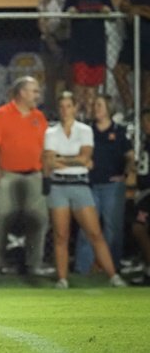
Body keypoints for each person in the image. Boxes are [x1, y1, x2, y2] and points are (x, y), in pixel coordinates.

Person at [43, 91, 127, 289]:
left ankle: (113, 276)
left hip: (80, 185)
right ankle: (62, 279)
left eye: (68, 106)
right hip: (58, 186)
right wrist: (74, 161)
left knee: (95, 233)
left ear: (75, 108)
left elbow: (85, 158)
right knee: (61, 235)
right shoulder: (51, 132)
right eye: (61, 106)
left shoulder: (84, 130)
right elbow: (50, 161)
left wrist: (61, 159)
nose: (65, 110)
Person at [0, 76, 49, 278]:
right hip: (9, 175)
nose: (38, 95)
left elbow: (45, 147)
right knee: (1, 221)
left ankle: (34, 265)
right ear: (22, 93)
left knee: (38, 221)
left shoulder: (39, 117)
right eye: (34, 91)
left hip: (34, 175)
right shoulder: (2, 114)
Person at [74, 94, 135, 274]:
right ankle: (83, 268)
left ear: (109, 108)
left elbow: (130, 156)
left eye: (99, 105)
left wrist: (126, 173)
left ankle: (111, 266)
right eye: (94, 105)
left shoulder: (119, 131)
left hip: (112, 186)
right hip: (90, 185)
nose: (96, 108)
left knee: (112, 228)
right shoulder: (87, 131)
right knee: (87, 227)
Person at [63, 0, 114, 120]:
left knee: (93, 89)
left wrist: (107, 11)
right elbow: (66, 14)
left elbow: (112, 15)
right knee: (78, 87)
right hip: (79, 48)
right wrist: (71, 11)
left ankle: (90, 119)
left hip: (97, 48)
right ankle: (75, 119)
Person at [113, 0, 150, 117]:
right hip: (132, 40)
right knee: (118, 71)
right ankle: (131, 108)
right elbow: (123, 5)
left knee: (146, 78)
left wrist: (139, 10)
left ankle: (144, 113)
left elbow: (137, 10)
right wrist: (132, 9)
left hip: (148, 41)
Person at [37, 0, 74, 117]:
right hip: (50, 39)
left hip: (69, 38)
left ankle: (69, 111)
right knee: (51, 77)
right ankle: (51, 111)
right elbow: (41, 19)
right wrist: (48, 37)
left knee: (69, 76)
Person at [132, 109, 150, 284]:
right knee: (139, 228)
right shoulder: (146, 141)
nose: (145, 125)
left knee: (139, 228)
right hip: (144, 193)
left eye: (148, 121)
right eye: (144, 121)